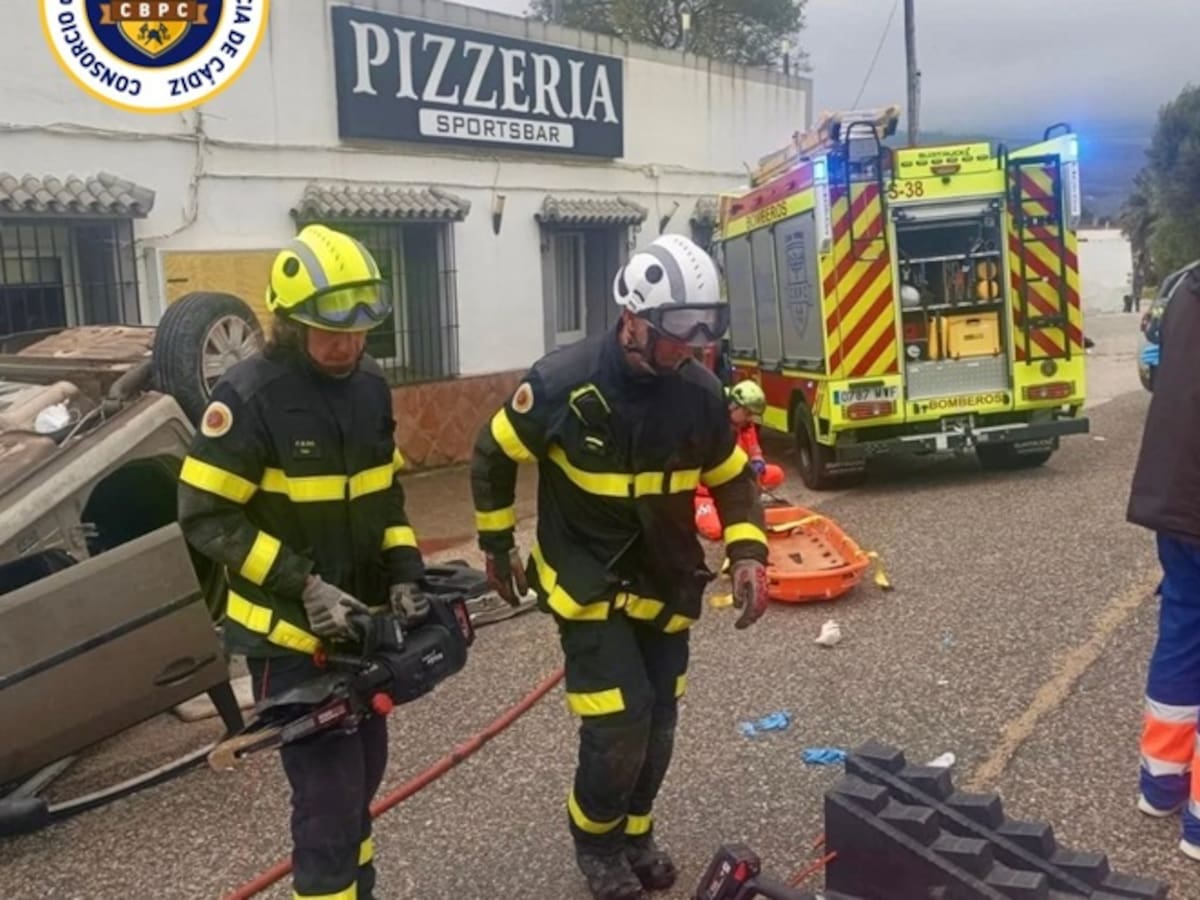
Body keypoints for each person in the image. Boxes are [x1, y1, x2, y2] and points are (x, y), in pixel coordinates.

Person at [470, 234, 770, 900]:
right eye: (674, 333)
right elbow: (490, 456)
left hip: (664, 582)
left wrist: (748, 552)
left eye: (701, 333)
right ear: (631, 318)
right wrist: (497, 547)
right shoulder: (560, 382)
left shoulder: (697, 393)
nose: (687, 348)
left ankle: (636, 834)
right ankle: (597, 846)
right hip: (585, 582)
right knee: (619, 720)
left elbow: (733, 481)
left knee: (660, 720)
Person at [177, 224, 430, 900]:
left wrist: (405, 574)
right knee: (327, 800)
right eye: (329, 333)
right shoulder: (249, 398)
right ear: (289, 324)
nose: (347, 346)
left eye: (358, 332)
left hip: (361, 629)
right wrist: (304, 583)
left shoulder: (371, 387)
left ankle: (358, 887)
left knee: (364, 776)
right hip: (288, 639)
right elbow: (206, 514)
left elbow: (386, 497)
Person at [1127, 263, 1200, 862]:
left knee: (1183, 631)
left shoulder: (1186, 284)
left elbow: (1153, 370)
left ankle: (1162, 784)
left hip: (1175, 497)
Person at [694, 380, 783, 541]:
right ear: (733, 406)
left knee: (776, 474)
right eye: (748, 413)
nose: (750, 419)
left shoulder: (745, 426)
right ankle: (696, 509)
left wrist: (758, 463)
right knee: (715, 530)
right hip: (704, 489)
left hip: (735, 479)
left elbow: (755, 451)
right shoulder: (711, 427)